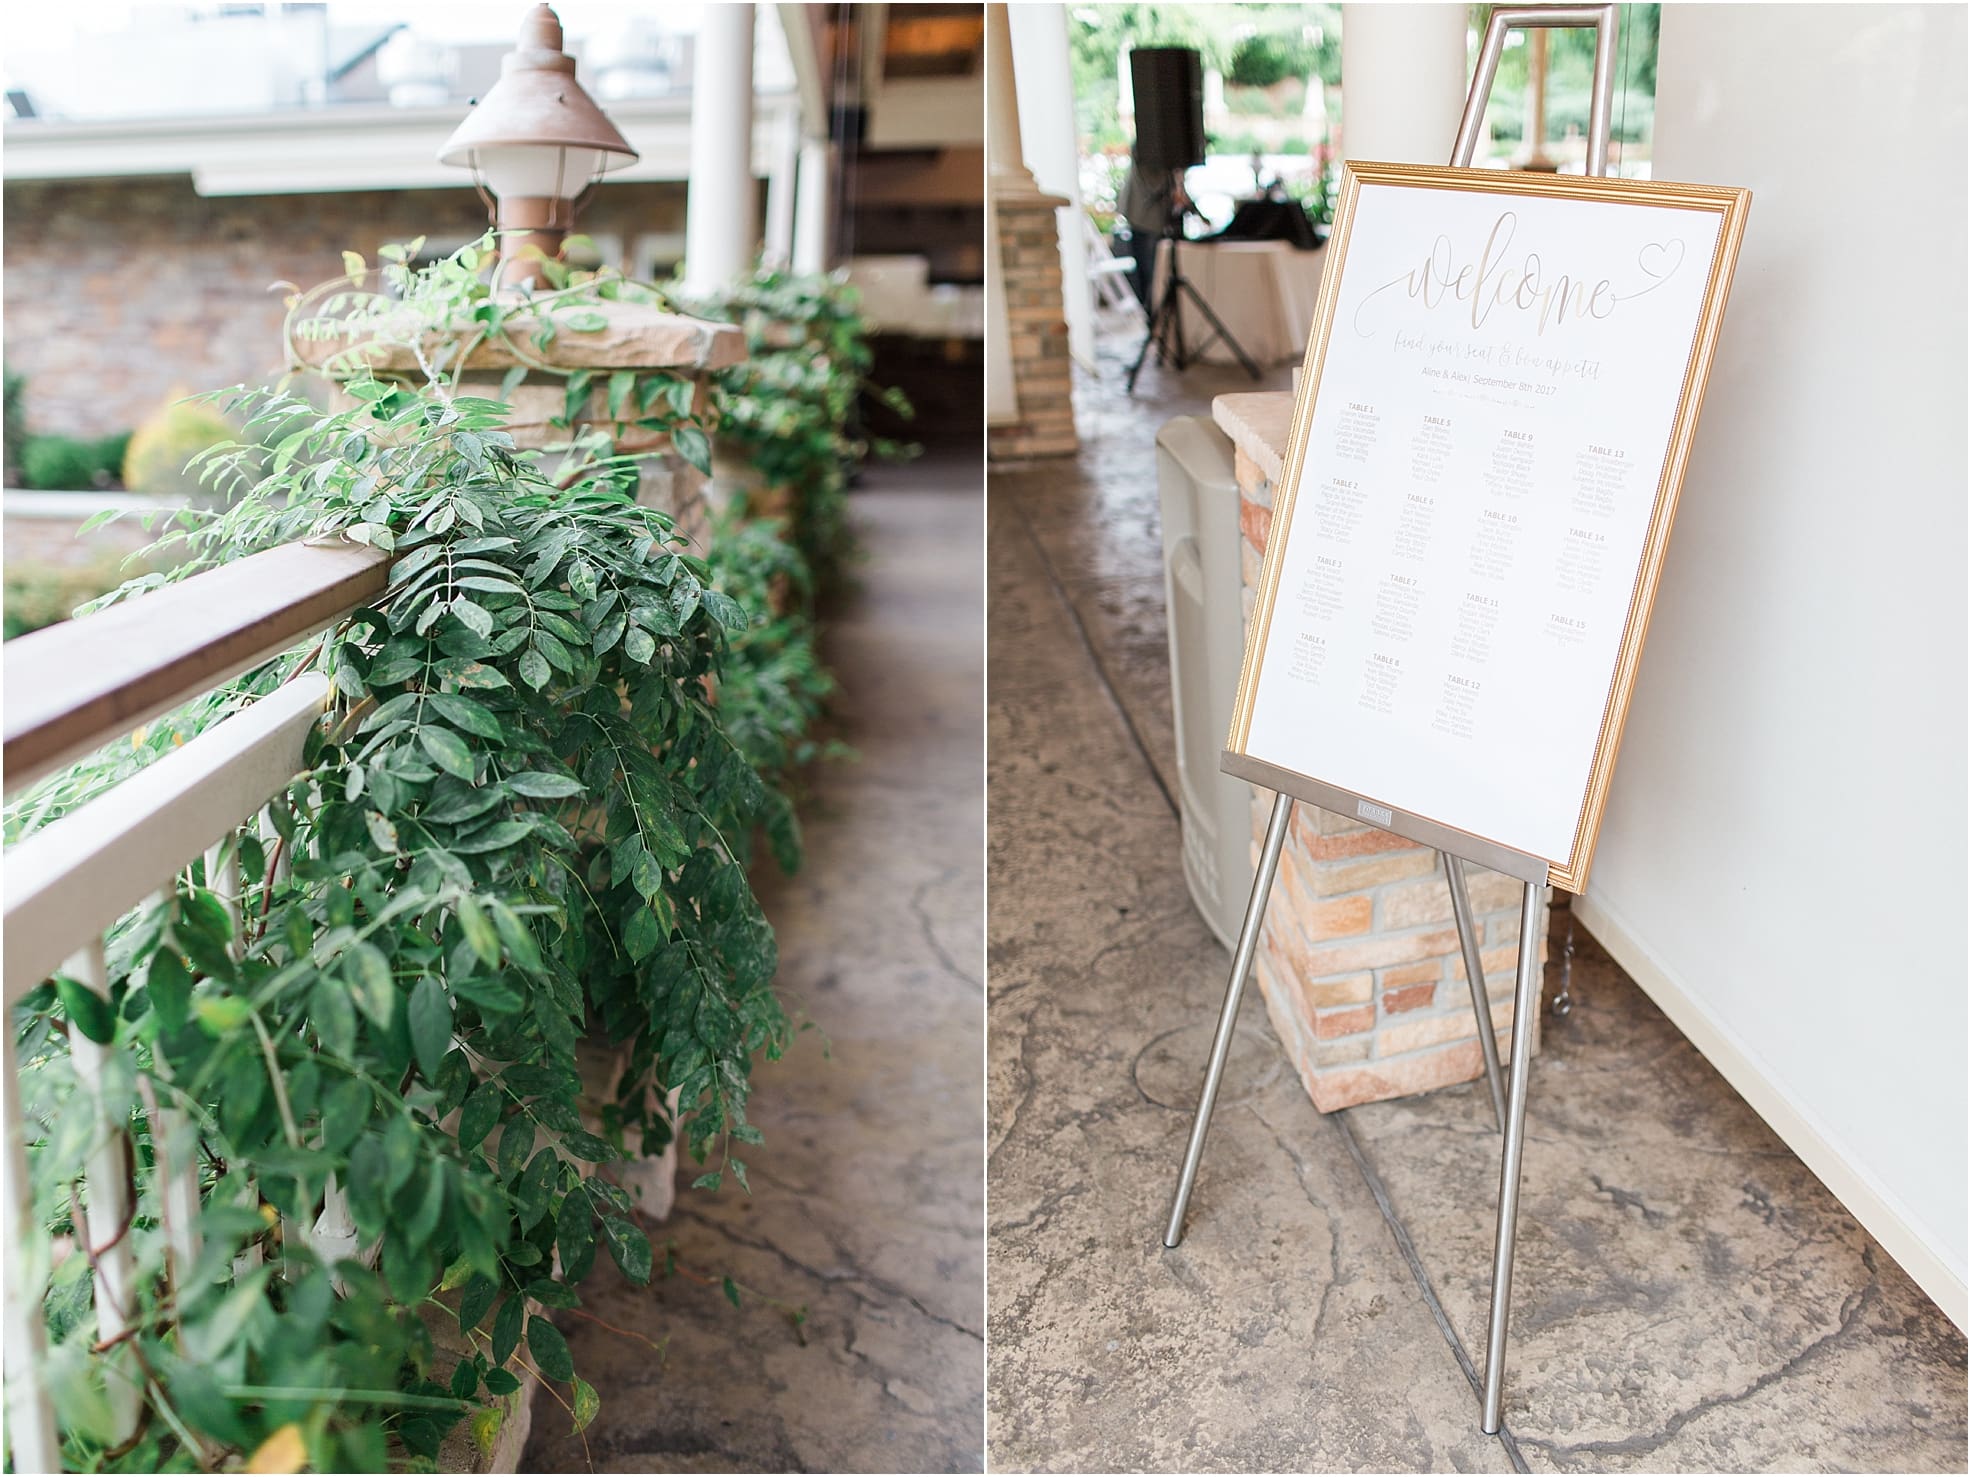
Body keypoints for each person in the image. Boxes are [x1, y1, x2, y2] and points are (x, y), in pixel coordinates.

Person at [1115, 161, 1188, 308]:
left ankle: (1154, 308)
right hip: (1143, 218)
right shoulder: (1148, 148)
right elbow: (1154, 182)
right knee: (1149, 271)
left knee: (1153, 268)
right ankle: (1151, 310)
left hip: (1153, 221)